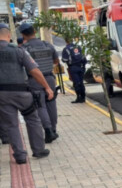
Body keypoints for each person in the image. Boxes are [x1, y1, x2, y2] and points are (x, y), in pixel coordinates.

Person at [0, 23, 52, 164]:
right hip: (22, 94)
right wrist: (47, 87)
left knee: (11, 124)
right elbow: (34, 70)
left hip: (2, 95)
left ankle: (20, 156)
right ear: (9, 35)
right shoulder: (19, 50)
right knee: (32, 119)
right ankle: (39, 150)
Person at [20, 23, 59, 143]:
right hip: (50, 78)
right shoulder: (48, 45)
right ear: (34, 31)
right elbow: (56, 61)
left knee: (40, 105)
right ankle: (53, 129)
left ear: (23, 35)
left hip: (34, 80)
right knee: (51, 104)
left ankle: (48, 131)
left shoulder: (24, 49)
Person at [62, 37, 87, 103]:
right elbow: (84, 57)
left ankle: (79, 98)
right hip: (81, 67)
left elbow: (64, 59)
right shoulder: (78, 47)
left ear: (66, 41)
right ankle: (83, 97)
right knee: (81, 82)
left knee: (76, 83)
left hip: (73, 67)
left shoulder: (66, 49)